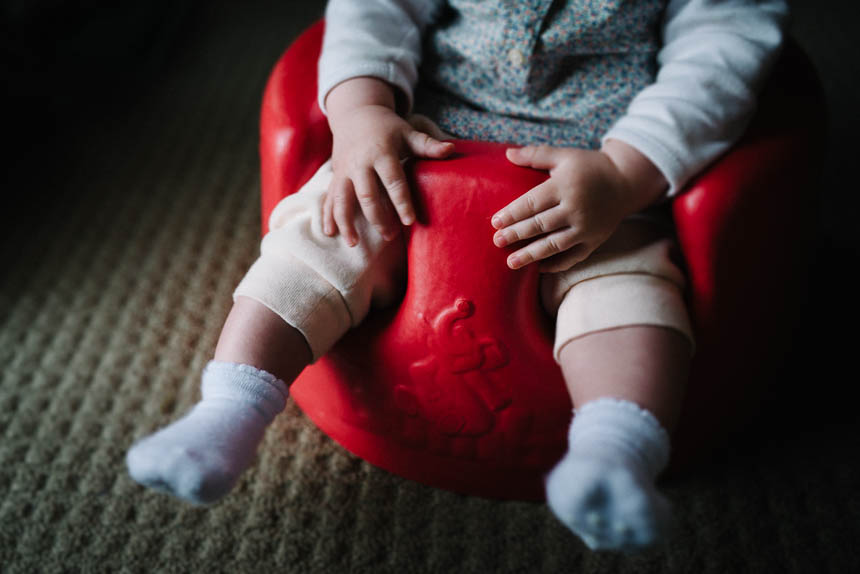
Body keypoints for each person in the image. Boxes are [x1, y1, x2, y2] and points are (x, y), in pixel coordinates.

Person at [127, 0, 788, 551]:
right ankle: (229, 411)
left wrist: (627, 171)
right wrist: (362, 115)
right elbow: (371, 13)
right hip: (420, 145)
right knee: (320, 243)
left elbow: (723, 51)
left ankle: (613, 454)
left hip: (593, 174)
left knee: (629, 290)